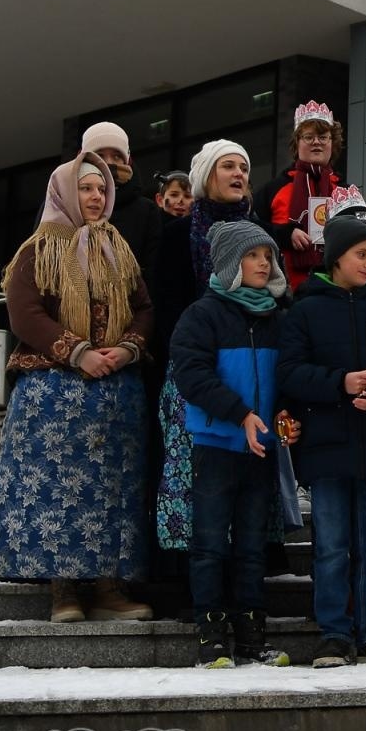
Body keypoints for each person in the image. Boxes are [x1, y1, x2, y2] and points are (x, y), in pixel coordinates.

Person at [0, 154, 154, 622]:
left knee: (112, 494)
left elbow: (143, 307)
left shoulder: (118, 248)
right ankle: (64, 592)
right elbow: (24, 313)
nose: (96, 197)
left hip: (114, 393)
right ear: (64, 192)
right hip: (54, 393)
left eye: (102, 189)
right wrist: (78, 352)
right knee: (57, 494)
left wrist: (127, 349)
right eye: (86, 188)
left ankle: (109, 588)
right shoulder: (39, 249)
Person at [279, 208, 366, 668]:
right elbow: (289, 372)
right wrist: (338, 383)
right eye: (361, 254)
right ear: (337, 256)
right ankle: (334, 634)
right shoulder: (304, 308)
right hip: (325, 448)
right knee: (331, 546)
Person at [170, 221, 291, 667]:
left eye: (268, 256)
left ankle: (252, 636)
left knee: (252, 545)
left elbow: (288, 376)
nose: (263, 263)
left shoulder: (279, 316)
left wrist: (285, 413)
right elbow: (192, 375)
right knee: (209, 543)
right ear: (229, 262)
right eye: (253, 255)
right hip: (216, 445)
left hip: (261, 449)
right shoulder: (202, 315)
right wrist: (240, 413)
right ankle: (211, 635)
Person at [151, 140, 263, 567]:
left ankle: (245, 576)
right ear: (206, 176)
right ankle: (192, 576)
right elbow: (167, 305)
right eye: (228, 166)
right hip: (194, 369)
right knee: (194, 475)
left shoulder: (259, 232)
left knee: (248, 478)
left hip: (250, 367)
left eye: (243, 167)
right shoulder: (179, 234)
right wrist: (194, 354)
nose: (238, 174)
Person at [252, 101, 344, 290]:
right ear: (297, 143)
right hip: (283, 292)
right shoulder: (272, 190)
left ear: (332, 143)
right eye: (309, 137)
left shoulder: (346, 192)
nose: (316, 142)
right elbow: (250, 231)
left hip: (338, 290)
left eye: (323, 137)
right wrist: (285, 234)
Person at [82, 122, 163, 277]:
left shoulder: (146, 211)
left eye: (117, 156)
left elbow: (152, 272)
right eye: (99, 155)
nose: (108, 162)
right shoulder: (62, 203)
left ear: (127, 161)